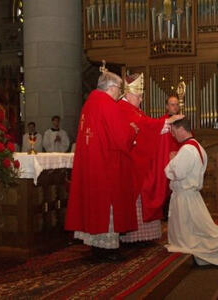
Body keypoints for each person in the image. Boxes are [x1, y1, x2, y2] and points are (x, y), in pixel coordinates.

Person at [65, 63, 138, 262]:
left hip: (91, 164)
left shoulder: (89, 104)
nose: (119, 95)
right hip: (106, 166)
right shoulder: (107, 104)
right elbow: (120, 139)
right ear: (112, 88)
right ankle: (108, 250)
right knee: (107, 208)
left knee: (94, 208)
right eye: (119, 90)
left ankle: (97, 248)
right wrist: (132, 130)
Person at [165, 118, 218, 269]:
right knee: (196, 229)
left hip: (185, 196)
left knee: (197, 231)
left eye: (174, 131)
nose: (173, 135)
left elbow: (177, 172)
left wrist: (172, 160)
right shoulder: (198, 147)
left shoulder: (188, 149)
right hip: (191, 195)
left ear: (182, 129)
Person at [118, 73, 184, 244]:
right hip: (129, 163)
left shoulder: (133, 109)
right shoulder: (124, 109)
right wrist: (168, 123)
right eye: (139, 96)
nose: (141, 100)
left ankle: (141, 236)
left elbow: (146, 127)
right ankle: (132, 237)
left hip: (135, 161)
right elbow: (147, 127)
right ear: (129, 94)